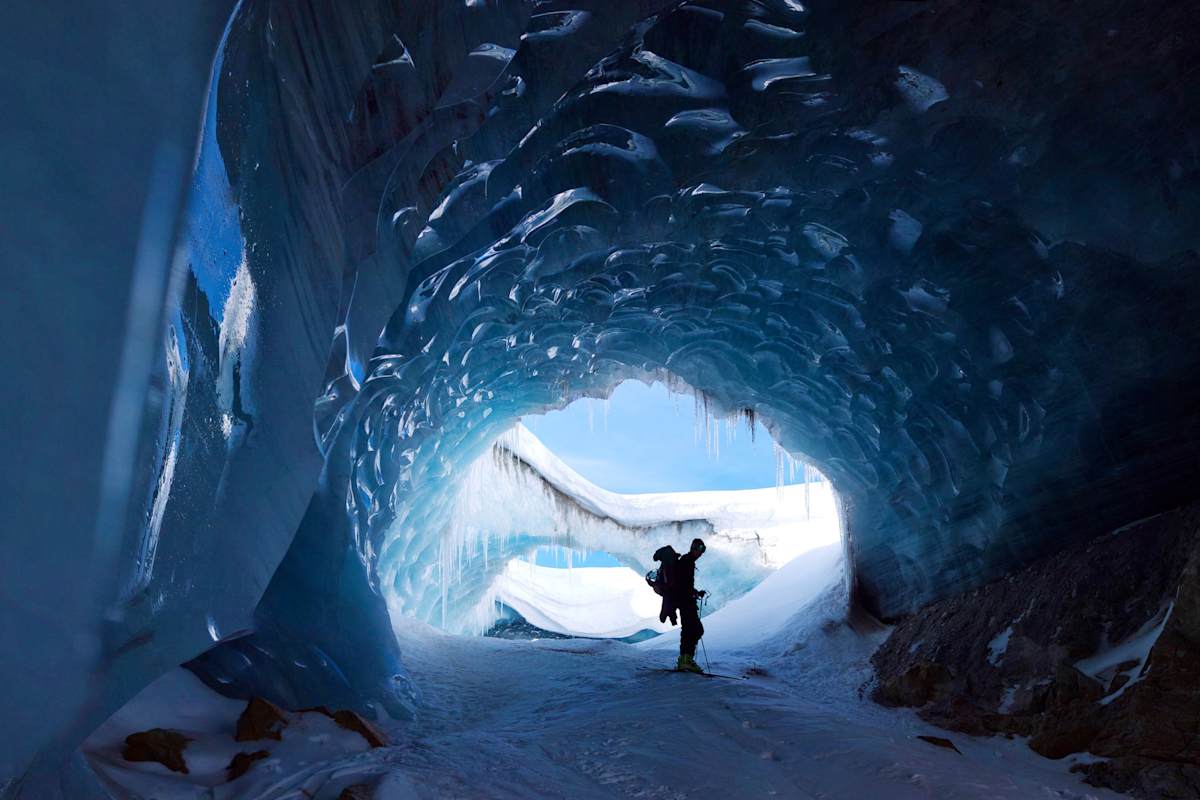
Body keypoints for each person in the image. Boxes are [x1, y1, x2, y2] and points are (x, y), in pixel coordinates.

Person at [672, 538, 707, 673]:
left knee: (691, 629)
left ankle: (685, 659)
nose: (701, 553)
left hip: (684, 600)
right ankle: (686, 660)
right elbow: (684, 584)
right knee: (693, 629)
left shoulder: (686, 561)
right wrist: (692, 593)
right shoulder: (688, 562)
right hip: (686, 602)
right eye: (700, 549)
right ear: (695, 548)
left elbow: (684, 584)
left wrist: (695, 592)